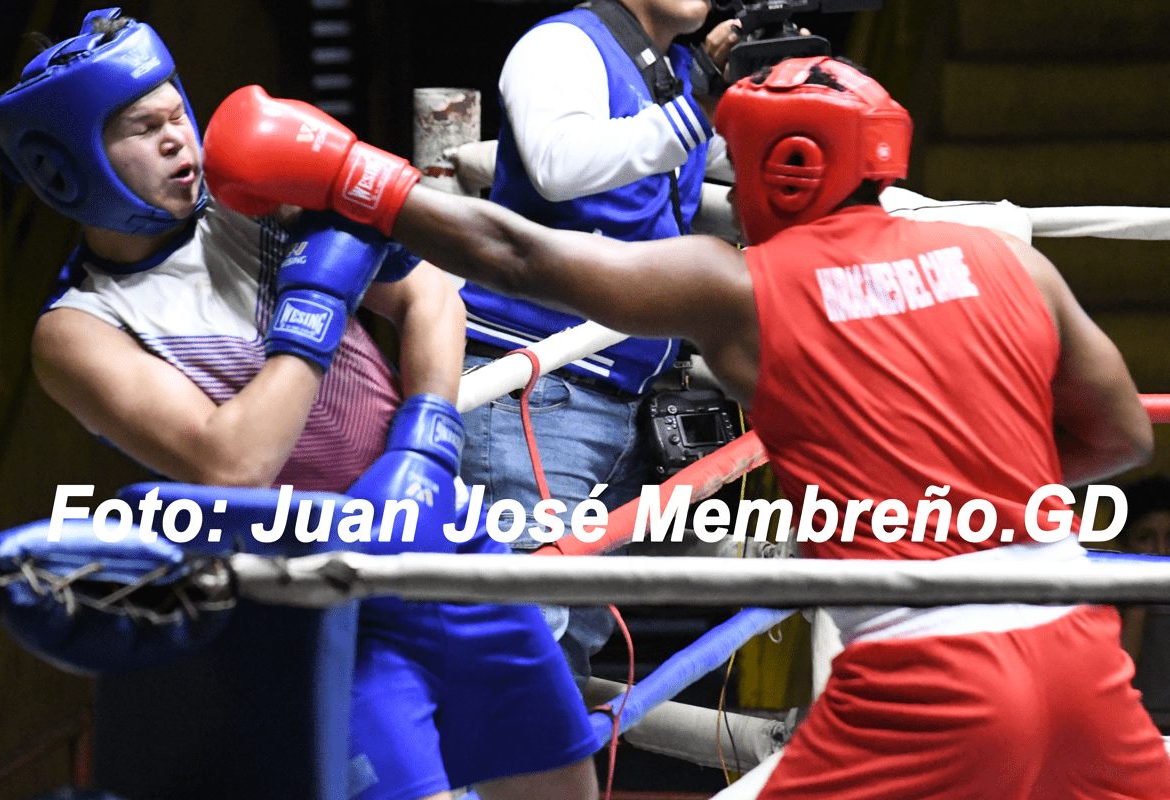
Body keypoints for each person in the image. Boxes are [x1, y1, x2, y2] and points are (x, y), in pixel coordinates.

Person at [202, 54, 1170, 797]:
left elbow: (519, 252)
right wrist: (982, 494)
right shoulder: (1015, 264)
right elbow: (1122, 436)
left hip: (927, 671)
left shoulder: (746, 285)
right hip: (1080, 641)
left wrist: (344, 172)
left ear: (784, 165)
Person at [0, 10, 598, 800]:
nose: (180, 138)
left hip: (440, 538)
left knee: (561, 785)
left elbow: (429, 303)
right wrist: (314, 307)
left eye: (178, 112)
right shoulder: (80, 330)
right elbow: (232, 459)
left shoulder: (252, 202)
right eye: (144, 128)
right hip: (310, 596)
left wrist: (425, 445)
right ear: (67, 164)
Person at [457, 0, 737, 681]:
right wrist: (699, 96)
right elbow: (559, 163)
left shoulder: (671, 71)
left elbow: (742, 159)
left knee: (566, 650)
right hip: (532, 390)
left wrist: (790, 100)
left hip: (618, 397)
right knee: (524, 652)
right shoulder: (562, 46)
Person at [1116, 474, 1170, 730]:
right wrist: (1137, 604)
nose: (1160, 549)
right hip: (1135, 730)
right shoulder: (1108, 602)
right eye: (1146, 537)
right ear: (1123, 544)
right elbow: (1118, 683)